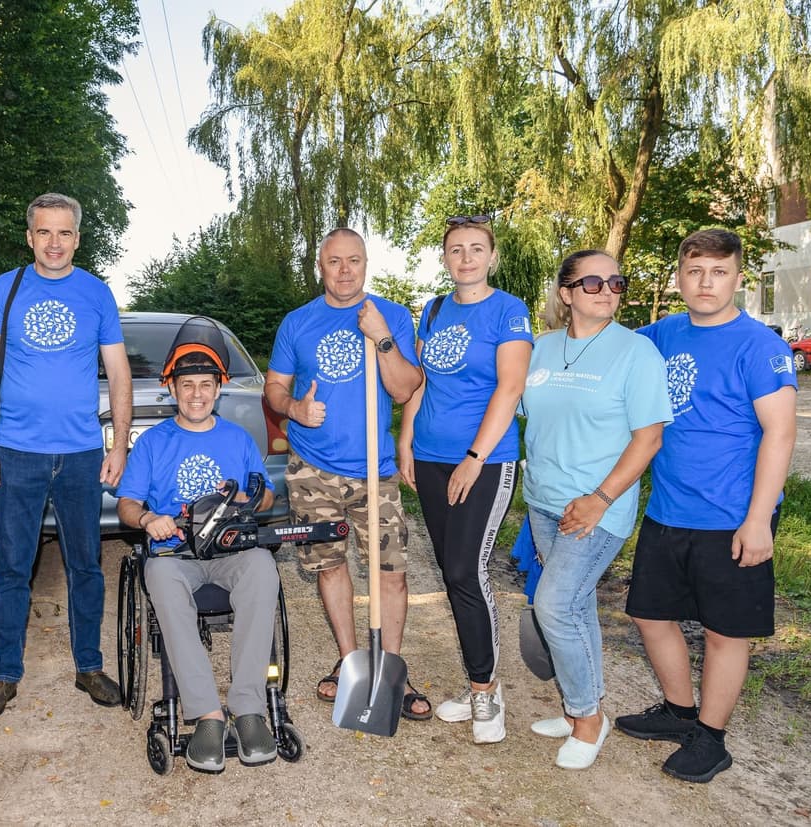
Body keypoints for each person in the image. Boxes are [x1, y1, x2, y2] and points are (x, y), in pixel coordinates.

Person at [618, 229, 797, 783]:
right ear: (678, 276)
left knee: (724, 632)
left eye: (719, 272)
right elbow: (603, 346)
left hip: (733, 517)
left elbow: (780, 434)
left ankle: (711, 738)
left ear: (738, 277)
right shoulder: (661, 335)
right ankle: (677, 711)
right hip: (668, 509)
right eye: (695, 271)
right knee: (650, 616)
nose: (705, 282)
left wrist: (759, 519)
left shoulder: (759, 346)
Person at [0, 192, 132, 719]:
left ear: (77, 238)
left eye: (64, 233)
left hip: (82, 454)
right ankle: (5, 674)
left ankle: (89, 666)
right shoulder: (7, 288)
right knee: (13, 566)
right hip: (17, 452)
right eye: (44, 232)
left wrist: (120, 443)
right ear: (30, 237)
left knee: (86, 565)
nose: (54, 242)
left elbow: (120, 372)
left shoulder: (96, 293)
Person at [264, 227, 430, 720]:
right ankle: (349, 662)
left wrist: (380, 336)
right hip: (312, 470)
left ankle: (390, 670)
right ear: (320, 265)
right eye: (334, 261)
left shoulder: (392, 316)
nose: (344, 271)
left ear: (365, 263)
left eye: (353, 260)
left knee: (391, 573)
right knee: (329, 567)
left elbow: (405, 389)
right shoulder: (298, 323)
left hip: (374, 473)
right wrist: (293, 408)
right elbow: (273, 387)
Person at [520, 250, 671, 769]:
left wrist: (599, 499)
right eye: (592, 282)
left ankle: (588, 719)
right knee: (578, 606)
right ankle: (575, 706)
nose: (607, 290)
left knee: (555, 606)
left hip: (597, 508)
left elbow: (648, 439)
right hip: (542, 500)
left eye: (615, 282)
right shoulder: (541, 349)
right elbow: (510, 408)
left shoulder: (636, 352)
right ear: (565, 293)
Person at [397, 215, 533, 743]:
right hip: (430, 457)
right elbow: (422, 382)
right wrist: (406, 440)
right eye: (457, 249)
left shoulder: (508, 311)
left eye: (477, 249)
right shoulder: (433, 309)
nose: (467, 258)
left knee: (464, 569)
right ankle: (478, 680)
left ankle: (485, 692)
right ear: (446, 258)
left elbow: (510, 386)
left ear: (491, 257)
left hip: (485, 461)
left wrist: (475, 457)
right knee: (454, 574)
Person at [116, 348, 279, 772]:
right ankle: (207, 715)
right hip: (176, 552)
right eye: (187, 385)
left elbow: (267, 496)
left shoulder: (237, 438)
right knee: (161, 578)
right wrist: (149, 517)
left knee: (263, 567)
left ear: (218, 389)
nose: (196, 394)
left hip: (230, 550)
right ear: (172, 389)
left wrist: (253, 498)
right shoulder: (153, 442)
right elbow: (127, 505)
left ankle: (248, 710)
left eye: (206, 384)